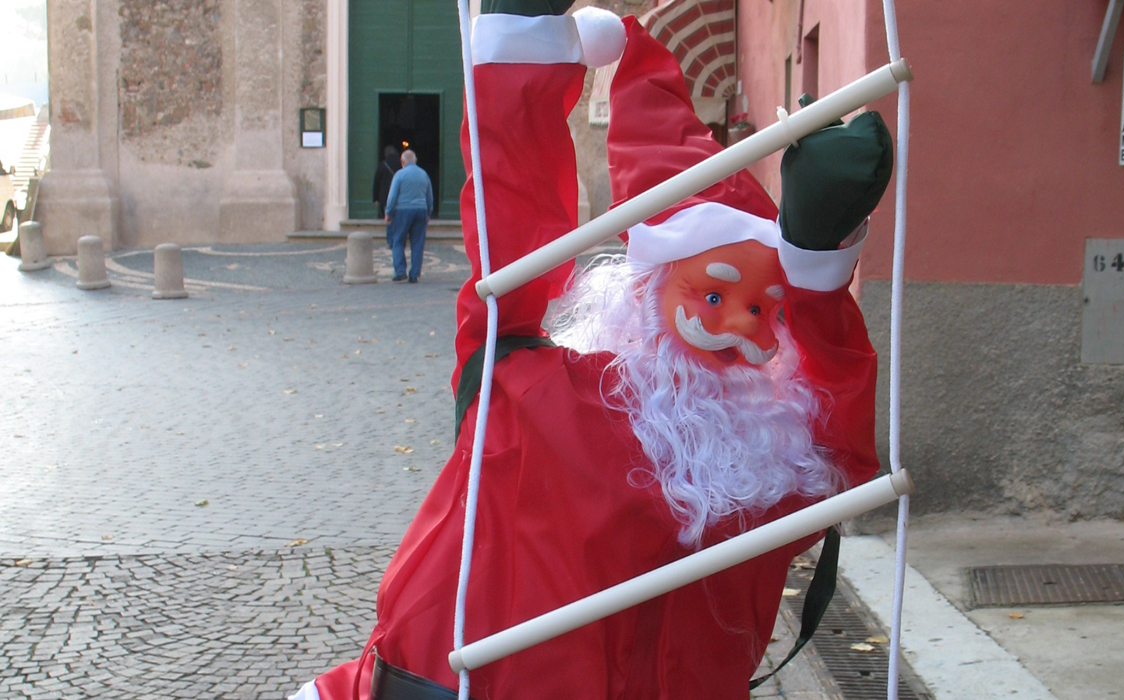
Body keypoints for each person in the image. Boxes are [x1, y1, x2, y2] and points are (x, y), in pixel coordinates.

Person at [292, 4, 891, 699]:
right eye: (712, 296)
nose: (732, 327)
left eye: (764, 310)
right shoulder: (537, 395)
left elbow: (839, 445)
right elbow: (510, 258)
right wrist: (524, 67)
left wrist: (818, 264)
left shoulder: (762, 460)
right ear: (651, 288)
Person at [384, 149, 435, 283]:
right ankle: (414, 274)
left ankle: (400, 271)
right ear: (415, 160)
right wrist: (429, 212)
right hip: (421, 210)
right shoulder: (424, 174)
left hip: (402, 210)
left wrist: (388, 212)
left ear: (402, 162)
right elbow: (429, 196)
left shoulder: (400, 175)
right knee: (418, 243)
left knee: (398, 240)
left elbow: (392, 196)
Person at [373, 145, 402, 219]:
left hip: (385, 195)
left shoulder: (383, 164)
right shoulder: (402, 164)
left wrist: (375, 198)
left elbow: (377, 182)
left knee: (388, 216)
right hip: (400, 193)